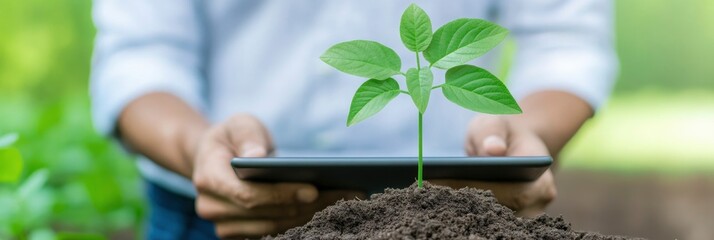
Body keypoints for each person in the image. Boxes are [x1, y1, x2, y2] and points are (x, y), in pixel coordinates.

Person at [90, 0, 617, 239]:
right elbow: (141, 54)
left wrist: (528, 138)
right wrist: (196, 145)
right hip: (220, 214)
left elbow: (564, 38)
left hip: (444, 219)